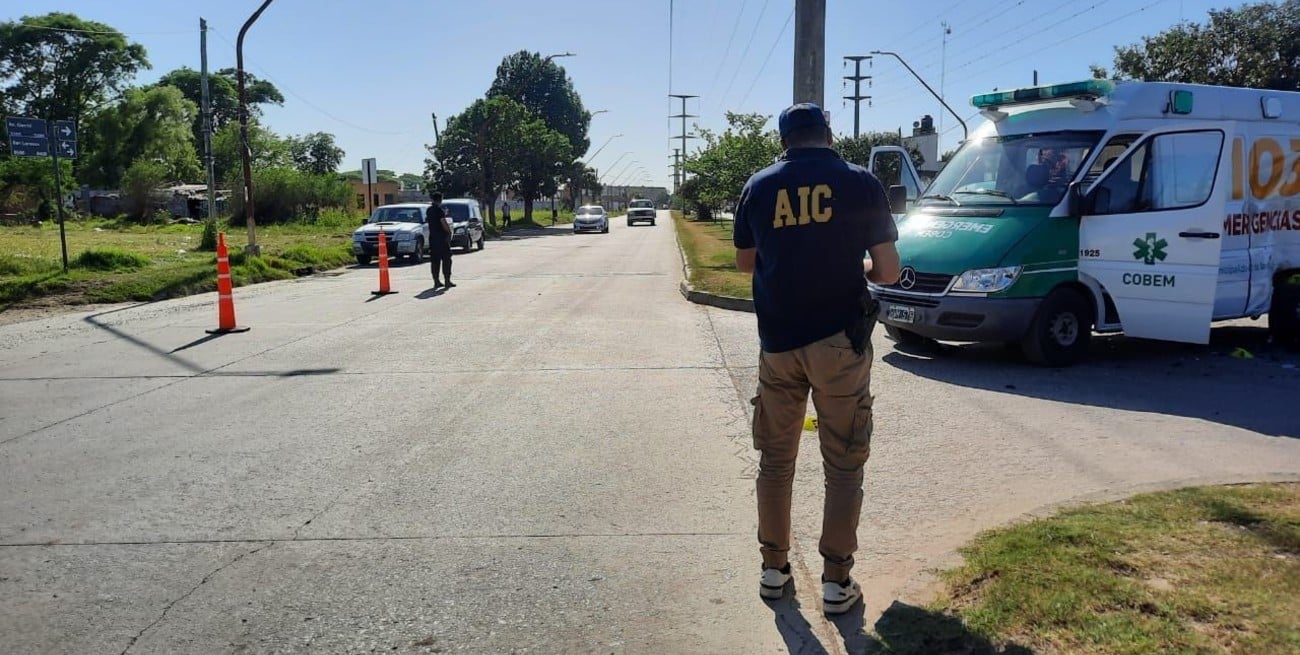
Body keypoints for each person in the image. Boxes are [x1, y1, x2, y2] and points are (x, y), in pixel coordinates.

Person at [733, 103, 901, 615]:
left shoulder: (758, 186)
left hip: (778, 343)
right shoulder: (860, 182)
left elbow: (745, 263)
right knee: (843, 464)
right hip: (839, 344)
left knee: (776, 461)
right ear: (828, 133)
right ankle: (835, 581)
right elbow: (888, 272)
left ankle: (773, 570)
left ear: (784, 140)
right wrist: (856, 259)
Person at [427, 192, 455, 289]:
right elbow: (443, 222)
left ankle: (436, 281)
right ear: (440, 199)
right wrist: (449, 231)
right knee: (446, 259)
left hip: (432, 238)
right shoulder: (439, 210)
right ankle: (447, 280)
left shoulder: (429, 210)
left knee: (435, 261)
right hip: (441, 238)